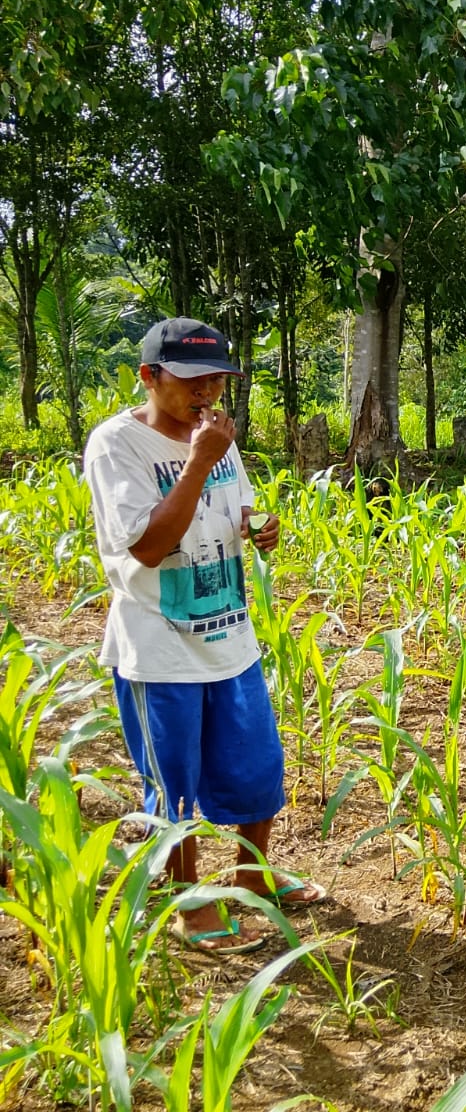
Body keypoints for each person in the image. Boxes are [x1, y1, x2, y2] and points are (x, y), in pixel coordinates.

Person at [84, 318, 325, 955]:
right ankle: (189, 905)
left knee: (258, 769)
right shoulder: (118, 445)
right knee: (175, 783)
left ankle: (254, 877)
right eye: (193, 379)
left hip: (228, 636)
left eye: (217, 378)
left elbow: (233, 507)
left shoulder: (214, 439)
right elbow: (151, 543)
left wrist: (258, 525)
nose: (207, 391)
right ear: (149, 376)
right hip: (159, 647)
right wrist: (197, 461)